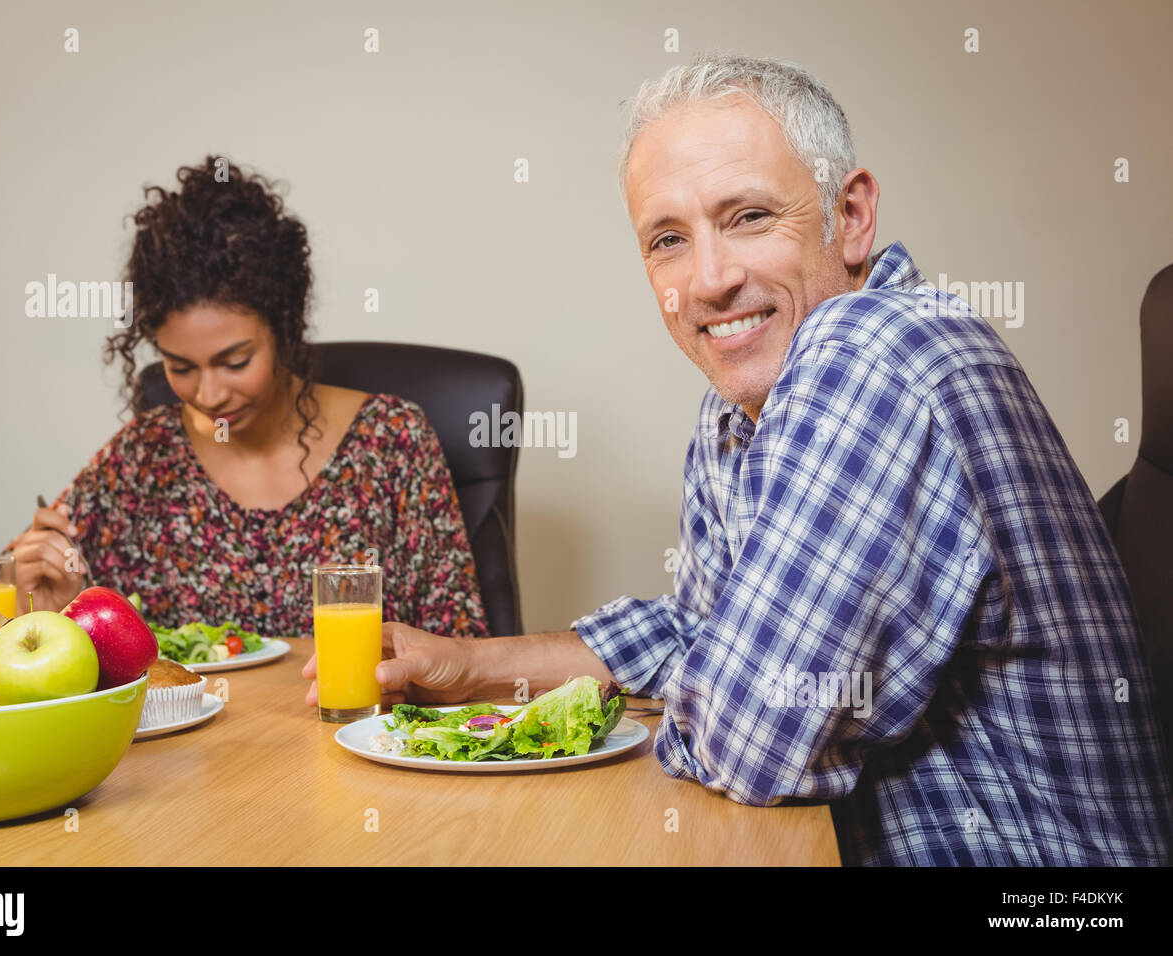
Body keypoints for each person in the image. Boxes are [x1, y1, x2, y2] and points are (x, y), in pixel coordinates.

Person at [304, 54, 1173, 866]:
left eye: (749, 217)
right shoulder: (740, 407)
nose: (710, 280)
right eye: (668, 240)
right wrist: (470, 665)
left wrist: (721, 686)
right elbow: (705, 634)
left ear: (852, 215)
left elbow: (755, 737)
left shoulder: (870, 351)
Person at [5, 156, 488, 639]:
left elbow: (462, 651)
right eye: (181, 367)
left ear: (284, 329)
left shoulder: (392, 441)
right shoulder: (141, 459)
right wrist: (49, 609)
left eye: (235, 362)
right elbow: (21, 638)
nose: (209, 395)